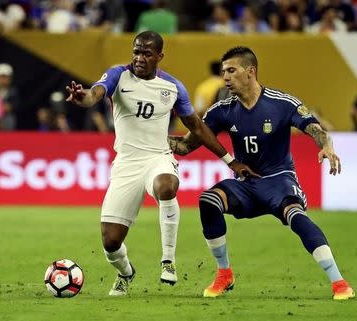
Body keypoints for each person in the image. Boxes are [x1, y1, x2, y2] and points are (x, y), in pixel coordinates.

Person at [65, 31, 257, 296]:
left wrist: (230, 161)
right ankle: (125, 273)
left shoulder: (173, 87)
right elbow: (94, 94)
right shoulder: (118, 75)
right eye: (136, 51)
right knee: (110, 242)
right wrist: (83, 97)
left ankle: (168, 261)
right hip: (127, 164)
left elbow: (197, 128)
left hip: (159, 157)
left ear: (159, 56)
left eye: (146, 53)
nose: (139, 58)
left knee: (166, 186)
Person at [168, 46, 355, 300]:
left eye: (231, 71)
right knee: (208, 200)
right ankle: (224, 273)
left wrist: (327, 146)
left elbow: (316, 129)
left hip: (279, 181)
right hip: (245, 184)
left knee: (296, 217)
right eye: (224, 72)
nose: (225, 78)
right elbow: (185, 145)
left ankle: (339, 282)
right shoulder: (221, 110)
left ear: (251, 71)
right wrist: (152, 138)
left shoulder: (282, 103)